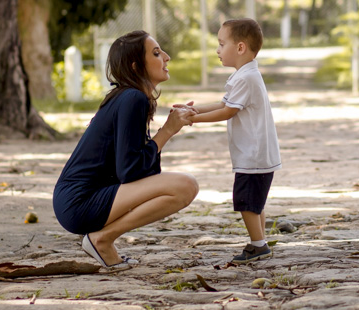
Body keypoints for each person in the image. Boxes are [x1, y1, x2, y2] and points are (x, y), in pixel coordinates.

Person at [53, 30, 198, 270]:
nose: (167, 57)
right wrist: (167, 131)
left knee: (182, 185)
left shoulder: (128, 97)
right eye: (156, 53)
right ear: (135, 66)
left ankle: (103, 241)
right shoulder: (132, 99)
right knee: (185, 186)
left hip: (77, 200)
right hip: (80, 202)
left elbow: (137, 172)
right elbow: (130, 172)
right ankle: (102, 239)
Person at [178, 18, 281, 263]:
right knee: (255, 202)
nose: (217, 50)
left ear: (241, 48)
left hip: (253, 155)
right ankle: (260, 240)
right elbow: (224, 103)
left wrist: (194, 121)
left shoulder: (246, 78)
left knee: (246, 201)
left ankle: (258, 245)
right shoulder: (245, 75)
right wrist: (195, 110)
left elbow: (227, 112)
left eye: (221, 44)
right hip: (256, 154)